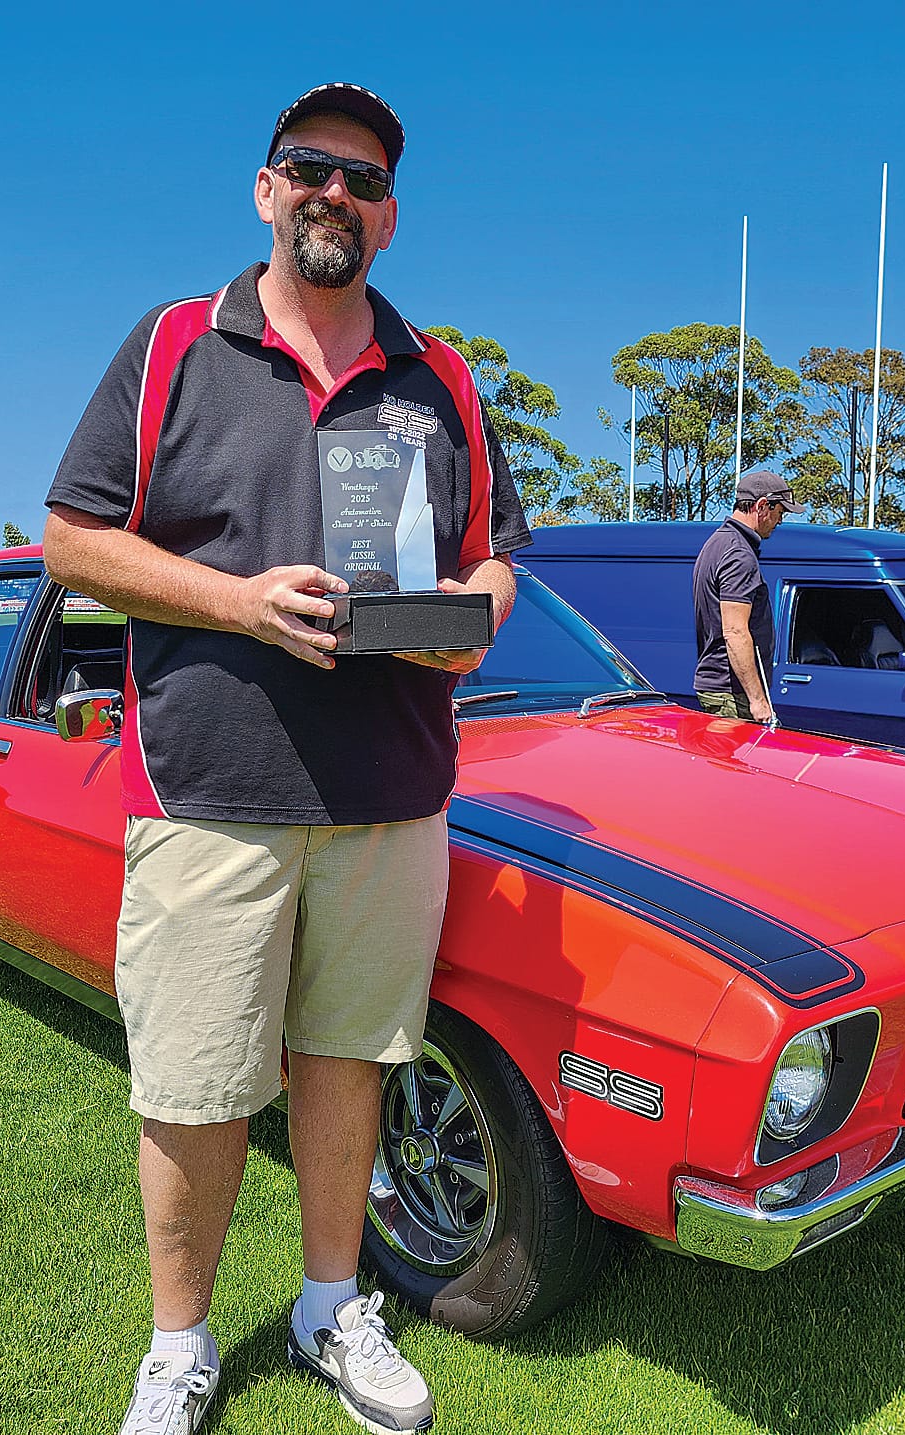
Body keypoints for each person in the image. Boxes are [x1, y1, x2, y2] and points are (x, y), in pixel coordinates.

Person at [42, 82, 529, 1435]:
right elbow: (73, 541)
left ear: (390, 215)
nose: (335, 194)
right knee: (194, 1085)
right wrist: (240, 601)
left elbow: (498, 554)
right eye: (310, 167)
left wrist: (470, 620)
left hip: (390, 797)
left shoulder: (442, 378)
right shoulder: (172, 346)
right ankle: (179, 1343)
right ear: (266, 190)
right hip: (209, 793)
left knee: (347, 1061)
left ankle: (329, 1302)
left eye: (363, 180)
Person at [691, 472, 803, 723]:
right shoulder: (739, 554)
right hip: (731, 694)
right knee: (737, 752)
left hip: (722, 688)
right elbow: (735, 632)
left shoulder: (718, 543)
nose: (780, 521)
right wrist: (758, 701)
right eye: (780, 513)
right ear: (762, 506)